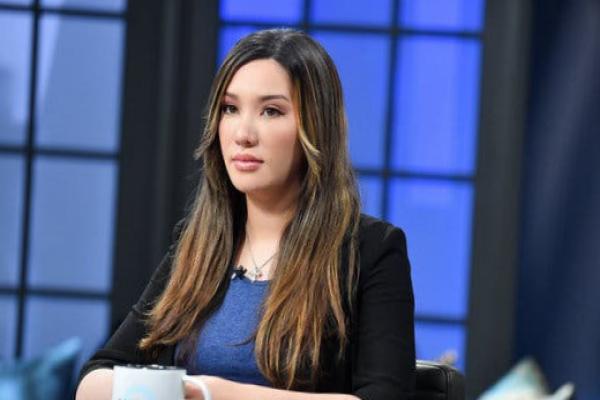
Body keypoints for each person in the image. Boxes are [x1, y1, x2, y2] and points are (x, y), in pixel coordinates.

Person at [76, 28, 415, 400]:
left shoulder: (372, 250)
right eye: (230, 109)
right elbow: (97, 376)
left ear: (315, 128)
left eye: (271, 111)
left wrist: (214, 393)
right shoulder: (200, 245)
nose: (243, 133)